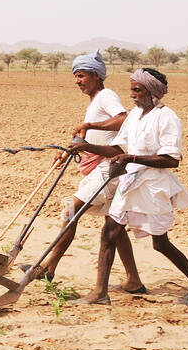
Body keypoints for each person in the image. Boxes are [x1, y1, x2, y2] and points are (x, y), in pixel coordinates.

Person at [68, 68, 188, 306]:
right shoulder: (135, 115)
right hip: (130, 182)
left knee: (160, 243)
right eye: (131, 89)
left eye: (137, 90)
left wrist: (133, 159)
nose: (132, 95)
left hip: (152, 186)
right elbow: (118, 150)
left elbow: (171, 160)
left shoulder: (167, 117)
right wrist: (87, 146)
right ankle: (100, 292)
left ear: (152, 91)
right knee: (109, 232)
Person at [33, 50, 144, 292]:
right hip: (106, 167)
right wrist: (65, 152)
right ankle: (133, 280)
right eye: (75, 76)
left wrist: (91, 124)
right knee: (114, 226)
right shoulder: (95, 101)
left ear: (95, 76)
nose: (77, 81)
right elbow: (85, 136)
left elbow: (123, 119)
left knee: (70, 210)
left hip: (110, 167)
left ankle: (49, 268)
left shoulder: (106, 96)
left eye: (81, 75)